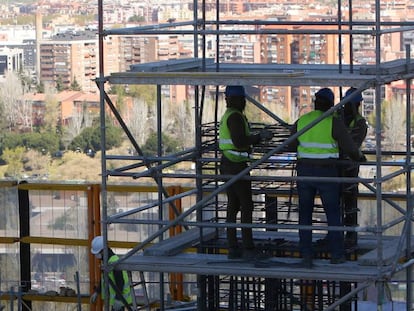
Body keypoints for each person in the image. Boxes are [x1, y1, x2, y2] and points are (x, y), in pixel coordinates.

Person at [289, 87, 366, 268]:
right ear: (332, 105)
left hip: (305, 171)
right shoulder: (333, 122)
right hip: (327, 172)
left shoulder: (303, 120)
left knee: (305, 214)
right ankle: (337, 254)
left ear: (316, 103)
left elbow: (290, 144)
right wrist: (359, 157)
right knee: (332, 213)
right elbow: (349, 147)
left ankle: (306, 254)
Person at [219, 85, 273, 259]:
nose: (243, 102)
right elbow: (240, 141)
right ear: (237, 99)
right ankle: (247, 248)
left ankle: (233, 247)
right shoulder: (235, 117)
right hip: (236, 165)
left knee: (233, 206)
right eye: (242, 99)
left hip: (230, 163)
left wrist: (255, 137)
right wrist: (259, 137)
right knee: (246, 205)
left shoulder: (232, 115)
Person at [341, 87, 368, 245]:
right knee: (346, 202)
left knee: (347, 202)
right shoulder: (358, 122)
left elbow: (351, 144)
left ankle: (349, 236)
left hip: (344, 168)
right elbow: (352, 145)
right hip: (344, 167)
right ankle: (346, 236)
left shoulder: (357, 122)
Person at [90, 236, 133, 310]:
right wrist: (97, 292)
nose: (96, 255)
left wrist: (118, 299)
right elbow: (105, 279)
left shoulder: (113, 262)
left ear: (103, 250)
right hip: (117, 300)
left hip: (120, 300)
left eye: (98, 252)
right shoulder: (107, 261)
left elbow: (120, 282)